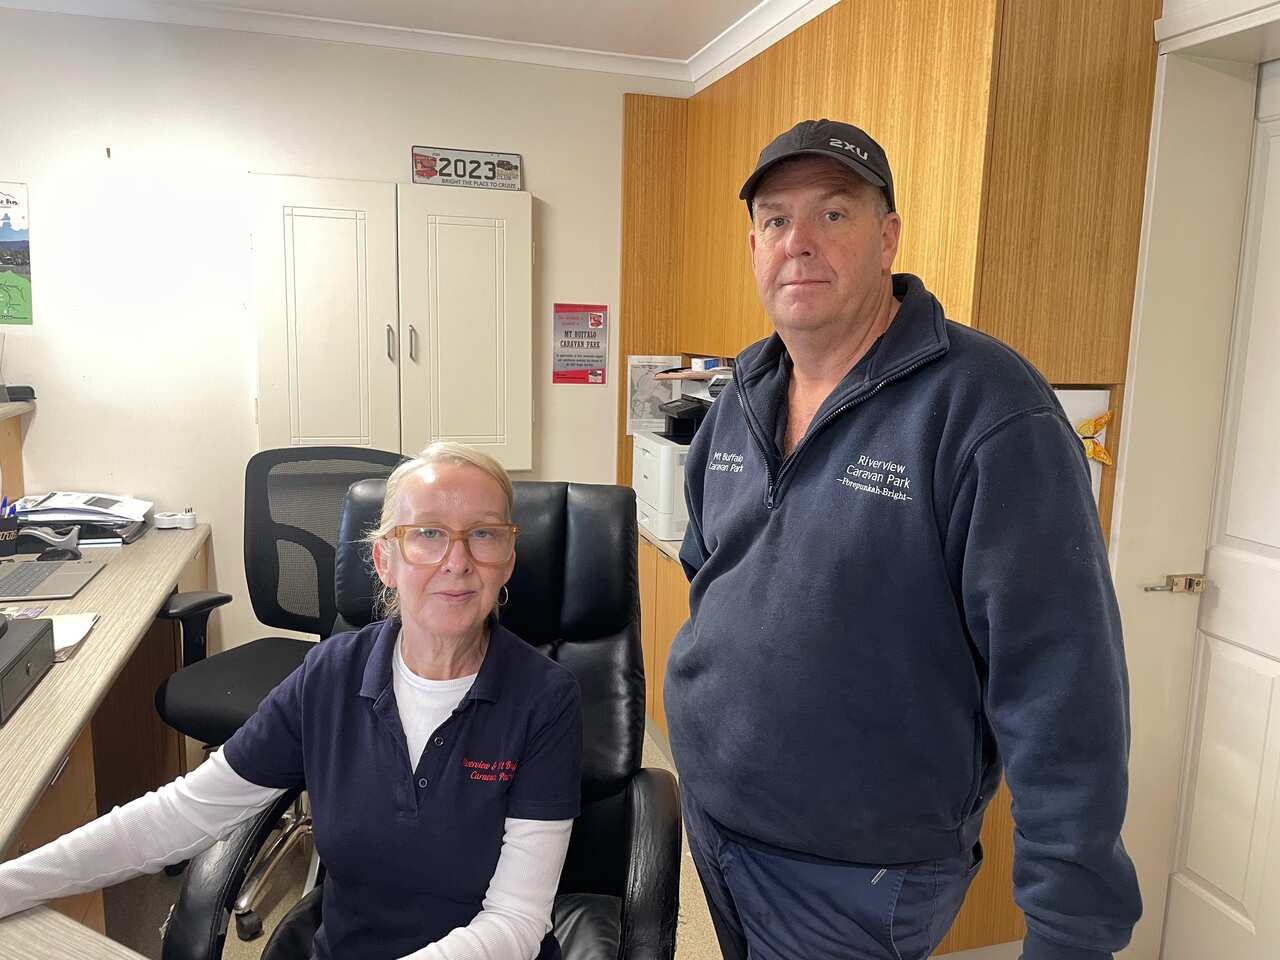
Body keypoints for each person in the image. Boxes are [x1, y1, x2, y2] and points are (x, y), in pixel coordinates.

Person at [664, 119, 1142, 960]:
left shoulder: (988, 410)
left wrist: (1073, 931)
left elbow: (1064, 688)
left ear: (887, 237)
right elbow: (712, 574)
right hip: (715, 817)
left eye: (834, 215)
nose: (799, 243)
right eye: (776, 220)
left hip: (860, 871)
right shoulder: (740, 391)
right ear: (753, 246)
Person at [0, 442, 583, 960]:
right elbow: (183, 812)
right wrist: (13, 884)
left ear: (506, 557)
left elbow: (516, 921)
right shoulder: (331, 673)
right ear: (384, 559)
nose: (457, 560)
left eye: (482, 533)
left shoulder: (544, 698)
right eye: (427, 533)